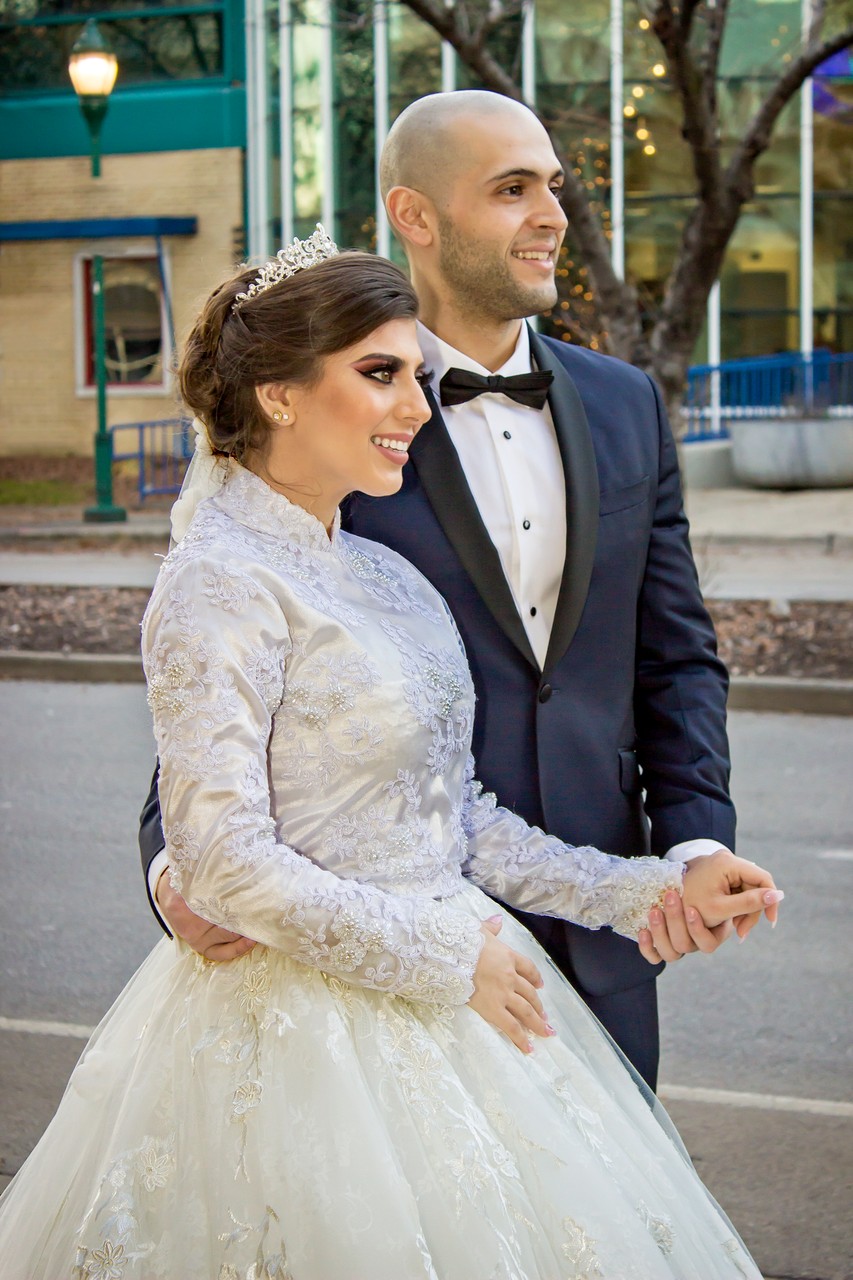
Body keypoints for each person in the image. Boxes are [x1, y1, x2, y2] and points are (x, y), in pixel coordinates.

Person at [0, 234, 781, 1278]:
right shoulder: (213, 584)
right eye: (381, 373)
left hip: (464, 996)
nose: (416, 404)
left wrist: (647, 891)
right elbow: (223, 859)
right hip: (298, 1037)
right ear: (278, 393)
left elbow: (456, 820)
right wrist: (445, 960)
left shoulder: (380, 572)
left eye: (415, 372)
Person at [141, 91, 742, 1089]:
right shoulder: (331, 422)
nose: (552, 212)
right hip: (369, 955)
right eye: (512, 189)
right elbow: (210, 690)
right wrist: (181, 869)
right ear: (415, 217)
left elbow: (674, 653)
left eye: (553, 184)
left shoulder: (625, 402)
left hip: (600, 934)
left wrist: (688, 848)